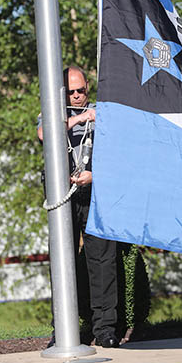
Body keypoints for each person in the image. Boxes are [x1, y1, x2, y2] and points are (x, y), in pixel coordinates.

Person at [38, 66, 119, 348]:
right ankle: (62, 329)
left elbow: (120, 154)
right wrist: (79, 119)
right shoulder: (52, 113)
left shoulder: (104, 111)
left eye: (80, 90)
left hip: (95, 192)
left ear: (88, 87)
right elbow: (44, 135)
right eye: (70, 92)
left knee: (103, 261)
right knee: (63, 261)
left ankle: (106, 328)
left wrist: (93, 177)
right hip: (64, 196)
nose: (76, 96)